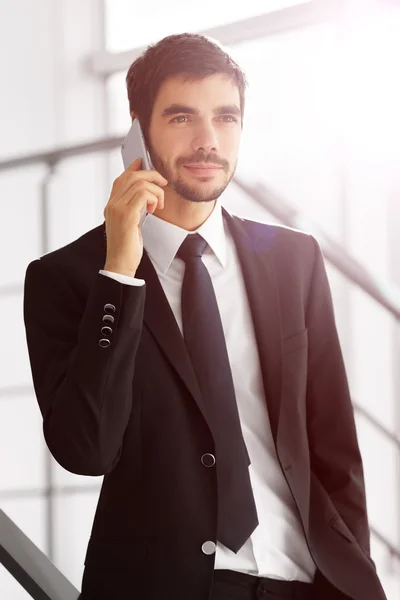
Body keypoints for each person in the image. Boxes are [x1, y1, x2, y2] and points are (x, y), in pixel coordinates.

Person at [23, 33, 387, 600]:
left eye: (226, 117)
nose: (208, 140)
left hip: (306, 582)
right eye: (181, 117)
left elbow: (335, 449)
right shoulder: (66, 278)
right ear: (137, 127)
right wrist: (120, 272)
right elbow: (85, 449)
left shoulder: (293, 260)